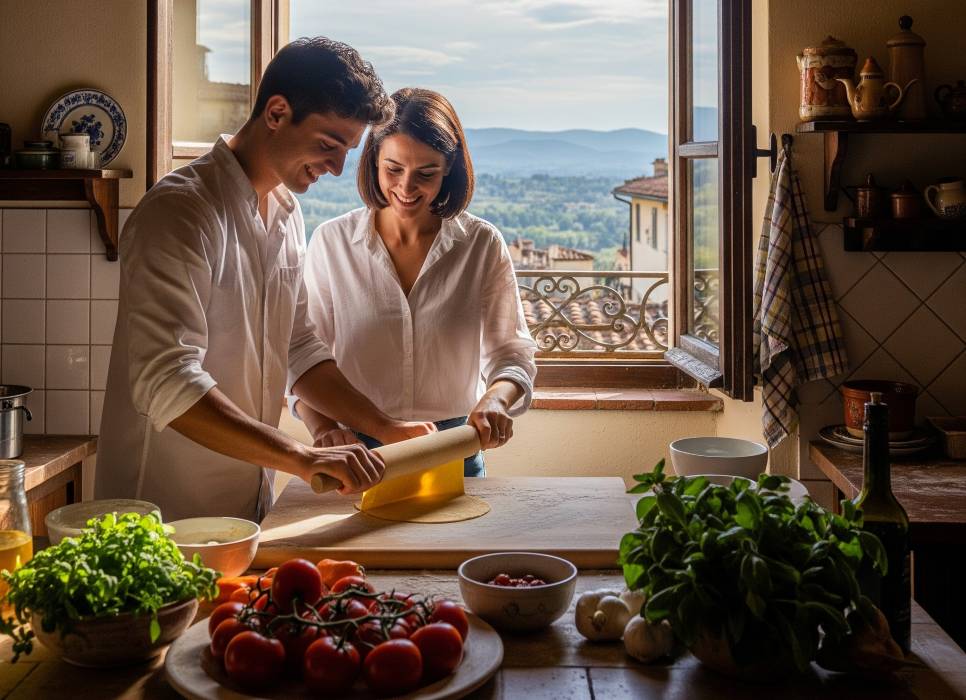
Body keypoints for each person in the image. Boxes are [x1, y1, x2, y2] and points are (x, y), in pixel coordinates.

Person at [94, 38, 435, 522]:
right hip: (162, 514)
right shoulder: (179, 212)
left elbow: (299, 348)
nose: (338, 168)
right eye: (328, 144)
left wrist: (385, 427)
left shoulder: (286, 214)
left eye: (348, 151)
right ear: (276, 113)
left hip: (250, 510)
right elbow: (164, 380)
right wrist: (304, 457)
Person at [292, 88, 538, 476]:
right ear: (373, 160)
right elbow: (302, 359)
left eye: (426, 174)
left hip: (454, 448)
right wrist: (323, 429)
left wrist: (497, 399)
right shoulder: (331, 242)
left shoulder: (481, 244)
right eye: (393, 169)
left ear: (449, 171)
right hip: (358, 454)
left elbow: (512, 354)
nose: (406, 188)